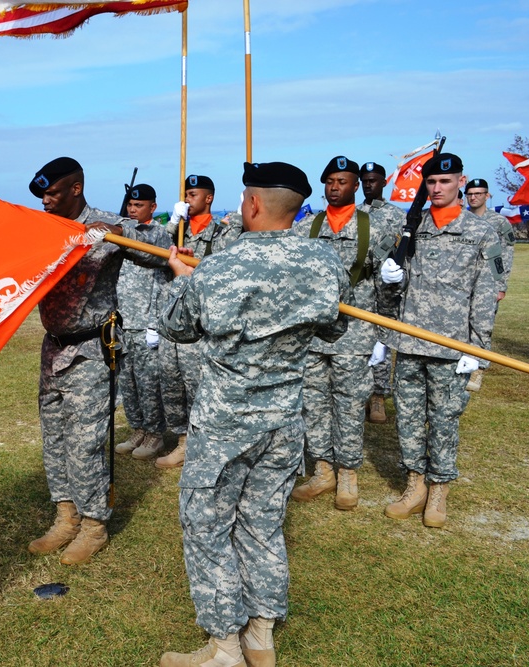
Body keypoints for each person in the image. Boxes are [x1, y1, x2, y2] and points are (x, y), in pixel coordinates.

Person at [157, 161, 349, 667]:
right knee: (264, 523)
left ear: (254, 204)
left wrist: (182, 277)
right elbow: (332, 331)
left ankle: (225, 647)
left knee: (208, 526)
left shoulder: (221, 266)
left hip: (225, 424)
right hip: (285, 418)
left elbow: (176, 327)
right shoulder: (325, 263)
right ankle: (260, 639)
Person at [26, 156, 171, 566]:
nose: (46, 201)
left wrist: (120, 232)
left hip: (92, 348)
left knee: (87, 441)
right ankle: (65, 515)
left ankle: (94, 525)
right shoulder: (44, 227)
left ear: (75, 188)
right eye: (42, 195)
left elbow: (160, 254)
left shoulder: (106, 225)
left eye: (52, 193)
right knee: (55, 436)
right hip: (53, 347)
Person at [378, 153, 503, 528]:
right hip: (412, 343)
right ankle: (414, 484)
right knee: (410, 420)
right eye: (430, 182)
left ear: (460, 182)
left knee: (445, 420)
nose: (436, 189)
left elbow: (485, 293)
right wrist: (389, 280)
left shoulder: (481, 233)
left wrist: (478, 351)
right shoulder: (412, 227)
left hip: (453, 347)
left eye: (445, 182)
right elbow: (393, 294)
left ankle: (438, 491)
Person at [290, 156, 401, 511]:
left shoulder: (374, 228)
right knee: (314, 403)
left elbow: (388, 285)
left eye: (343, 181)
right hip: (314, 333)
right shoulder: (305, 228)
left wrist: (383, 335)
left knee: (350, 404)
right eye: (330, 182)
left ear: (356, 186)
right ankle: (323, 470)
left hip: (354, 333)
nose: (335, 187)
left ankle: (348, 473)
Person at [156, 174, 241, 469]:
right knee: (171, 381)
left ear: (209, 198)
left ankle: (202, 441)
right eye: (185, 195)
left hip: (203, 324)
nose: (188, 200)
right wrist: (171, 222)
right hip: (174, 317)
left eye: (193, 194)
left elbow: (231, 264)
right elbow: (152, 248)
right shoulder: (176, 229)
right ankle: (181, 440)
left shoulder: (222, 234)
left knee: (199, 384)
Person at [114, 183, 169, 460]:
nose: (133, 210)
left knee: (149, 383)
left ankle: (155, 434)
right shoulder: (120, 231)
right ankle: (137, 429)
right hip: (124, 321)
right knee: (129, 381)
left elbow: (157, 275)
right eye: (130, 205)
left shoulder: (158, 234)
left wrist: (154, 323)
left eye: (139, 205)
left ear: (152, 208)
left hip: (146, 321)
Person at [358, 161, 406, 422]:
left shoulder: (397, 216)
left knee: (382, 339)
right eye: (364, 180)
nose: (368, 184)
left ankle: (378, 396)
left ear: (384, 182)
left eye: (373, 180)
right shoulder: (354, 213)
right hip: (361, 287)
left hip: (387, 288)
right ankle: (359, 393)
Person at [464, 177, 516, 390]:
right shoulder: (462, 219)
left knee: (482, 325)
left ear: (487, 195)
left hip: (487, 283)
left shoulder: (499, 222)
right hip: (464, 282)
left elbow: (506, 254)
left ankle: (478, 369)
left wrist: (500, 284)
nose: (474, 197)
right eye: (470, 194)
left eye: (478, 193)